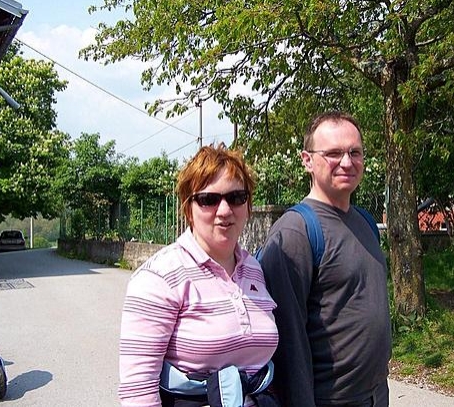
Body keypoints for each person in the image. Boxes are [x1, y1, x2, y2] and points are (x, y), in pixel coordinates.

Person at [118, 143, 279, 407]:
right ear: (188, 209)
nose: (224, 210)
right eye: (208, 199)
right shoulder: (159, 277)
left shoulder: (254, 269)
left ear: (248, 204)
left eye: (236, 197)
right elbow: (138, 392)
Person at [259, 111, 392, 407]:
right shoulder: (296, 232)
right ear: (307, 160)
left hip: (375, 395)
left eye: (355, 152)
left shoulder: (365, 223)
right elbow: (288, 343)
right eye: (333, 153)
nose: (347, 162)